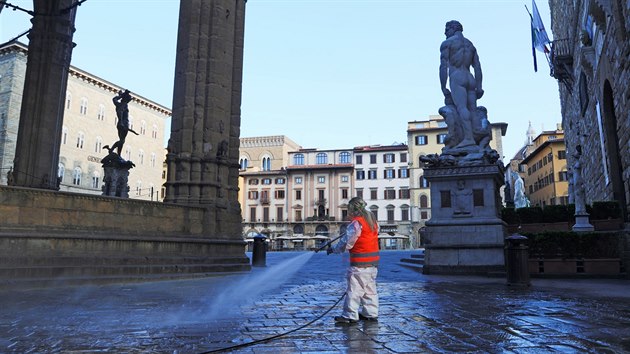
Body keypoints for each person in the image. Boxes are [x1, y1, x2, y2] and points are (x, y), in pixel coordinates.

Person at [327, 197, 380, 324]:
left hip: (359, 264)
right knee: (369, 289)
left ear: (353, 209)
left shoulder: (356, 223)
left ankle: (349, 315)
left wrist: (333, 249)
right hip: (373, 263)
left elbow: (347, 243)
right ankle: (371, 313)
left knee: (354, 290)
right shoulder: (373, 221)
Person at [439, 20, 483, 148]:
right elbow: (477, 67)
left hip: (457, 77)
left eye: (447, 29)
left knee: (462, 108)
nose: (445, 32)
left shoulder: (447, 43)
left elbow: (443, 66)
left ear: (453, 29)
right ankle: (475, 137)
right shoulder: (470, 45)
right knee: (473, 110)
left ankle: (468, 138)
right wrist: (479, 86)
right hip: (470, 78)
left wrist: (443, 86)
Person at [103, 89, 139, 156]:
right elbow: (120, 112)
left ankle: (114, 152)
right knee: (122, 141)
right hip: (123, 124)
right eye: (129, 99)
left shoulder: (120, 104)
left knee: (122, 141)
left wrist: (120, 96)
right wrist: (121, 121)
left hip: (122, 123)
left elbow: (114, 99)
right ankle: (114, 152)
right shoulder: (123, 105)